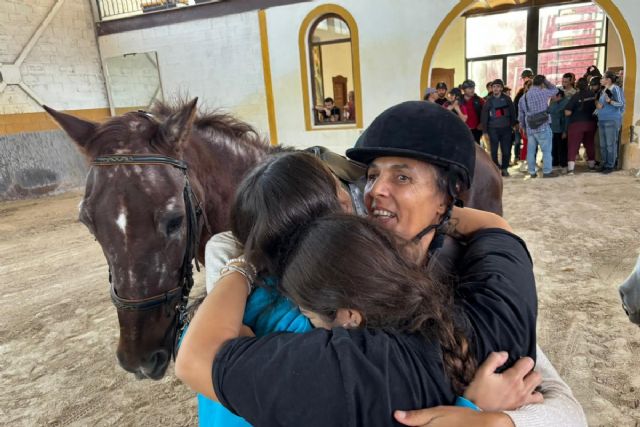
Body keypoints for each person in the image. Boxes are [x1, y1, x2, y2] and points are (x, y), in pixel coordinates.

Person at [186, 103, 587, 426]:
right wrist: (487, 416)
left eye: (402, 177)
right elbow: (499, 229)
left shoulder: (344, 370)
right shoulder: (492, 293)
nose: (376, 189)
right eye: (373, 175)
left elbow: (561, 402)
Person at [517, 75, 559, 178]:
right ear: (542, 83)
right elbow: (555, 90)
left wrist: (523, 128)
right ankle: (547, 171)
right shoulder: (544, 92)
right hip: (543, 125)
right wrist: (546, 82)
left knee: (530, 151)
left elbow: (521, 115)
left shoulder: (523, 97)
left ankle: (531, 172)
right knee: (546, 150)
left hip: (530, 127)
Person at [481, 79, 517, 177]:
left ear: (501, 88)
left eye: (497, 86)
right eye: (494, 87)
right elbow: (484, 116)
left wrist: (513, 125)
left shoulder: (507, 99)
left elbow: (513, 112)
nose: (495, 88)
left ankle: (505, 168)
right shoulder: (488, 101)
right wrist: (484, 131)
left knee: (506, 150)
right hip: (493, 129)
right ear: (491, 89)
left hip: (506, 129)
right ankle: (496, 168)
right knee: (494, 150)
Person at [564, 78, 597, 175]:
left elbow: (567, 112)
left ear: (577, 86)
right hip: (591, 123)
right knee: (590, 144)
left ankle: (571, 169)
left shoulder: (576, 96)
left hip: (577, 124)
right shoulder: (593, 95)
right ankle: (592, 166)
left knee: (573, 146)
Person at [595, 70, 625, 173]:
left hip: (612, 120)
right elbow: (601, 105)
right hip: (602, 119)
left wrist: (610, 101)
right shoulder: (604, 90)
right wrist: (598, 107)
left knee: (610, 144)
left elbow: (621, 104)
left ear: (608, 80)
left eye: (603, 78)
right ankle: (604, 163)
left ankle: (610, 165)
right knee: (603, 145)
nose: (601, 80)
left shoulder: (616, 89)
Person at [513, 69, 534, 167]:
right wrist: (517, 123)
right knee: (523, 142)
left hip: (535, 122)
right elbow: (517, 109)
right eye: (525, 78)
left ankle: (531, 161)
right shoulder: (520, 95)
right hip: (523, 123)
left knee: (533, 143)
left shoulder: (536, 94)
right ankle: (521, 160)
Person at [547, 88, 569, 173]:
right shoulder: (554, 102)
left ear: (559, 95)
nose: (552, 97)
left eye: (553, 95)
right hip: (553, 129)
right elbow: (549, 110)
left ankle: (564, 165)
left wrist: (565, 131)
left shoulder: (566, 103)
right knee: (554, 148)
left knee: (562, 149)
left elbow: (566, 119)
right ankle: (555, 163)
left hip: (561, 129)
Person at [461, 79, 485, 144]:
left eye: (473, 88)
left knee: (475, 150)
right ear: (463, 90)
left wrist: (482, 123)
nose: (472, 90)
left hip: (476, 130)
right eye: (469, 88)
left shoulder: (479, 100)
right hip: (462, 129)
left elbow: (486, 112)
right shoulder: (458, 100)